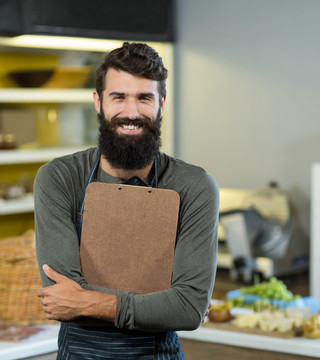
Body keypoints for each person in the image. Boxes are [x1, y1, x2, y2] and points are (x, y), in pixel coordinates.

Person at [34, 42, 219, 359]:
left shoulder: (194, 186)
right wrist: (164, 304)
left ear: (162, 102)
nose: (131, 113)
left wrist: (87, 301)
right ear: (98, 102)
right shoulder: (59, 178)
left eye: (144, 98)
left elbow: (188, 308)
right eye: (118, 97)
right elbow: (61, 301)